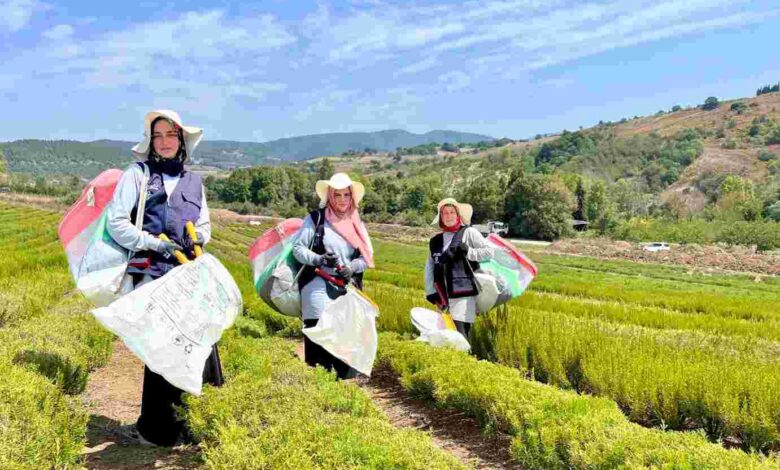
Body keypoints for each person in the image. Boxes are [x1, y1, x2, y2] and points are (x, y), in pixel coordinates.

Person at [106, 109, 223, 446]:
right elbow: (117, 223)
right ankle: (156, 430)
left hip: (187, 272)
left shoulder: (194, 182)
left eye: (171, 134)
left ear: (182, 140)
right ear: (151, 142)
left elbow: (204, 225)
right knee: (160, 350)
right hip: (152, 272)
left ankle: (193, 424)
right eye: (158, 136)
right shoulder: (138, 175)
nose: (165, 142)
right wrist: (152, 243)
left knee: (196, 343)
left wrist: (199, 239)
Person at [293, 173, 374, 379]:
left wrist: (352, 267)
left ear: (352, 197)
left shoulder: (357, 224)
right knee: (319, 331)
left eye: (346, 195)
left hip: (344, 285)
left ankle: (342, 383)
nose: (342, 200)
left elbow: (366, 257)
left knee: (344, 334)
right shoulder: (315, 219)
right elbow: (298, 249)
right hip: (317, 283)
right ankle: (318, 379)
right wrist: (318, 259)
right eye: (337, 195)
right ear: (330, 196)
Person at [424, 198, 494, 340]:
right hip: (442, 296)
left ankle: (466, 359)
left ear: (458, 215)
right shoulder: (435, 241)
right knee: (446, 335)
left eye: (452, 212)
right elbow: (429, 266)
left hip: (463, 294)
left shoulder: (468, 233)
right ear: (441, 217)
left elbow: (489, 252)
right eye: (445, 213)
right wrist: (430, 292)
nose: (448, 216)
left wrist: (469, 251)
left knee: (460, 335)